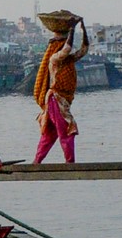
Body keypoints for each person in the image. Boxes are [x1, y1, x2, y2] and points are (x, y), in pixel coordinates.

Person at [33, 17, 89, 164]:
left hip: (59, 100)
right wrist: (71, 30)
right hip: (56, 100)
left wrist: (83, 30)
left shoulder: (68, 60)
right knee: (67, 129)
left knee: (49, 134)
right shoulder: (55, 59)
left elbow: (83, 50)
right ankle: (70, 162)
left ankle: (36, 161)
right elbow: (67, 49)